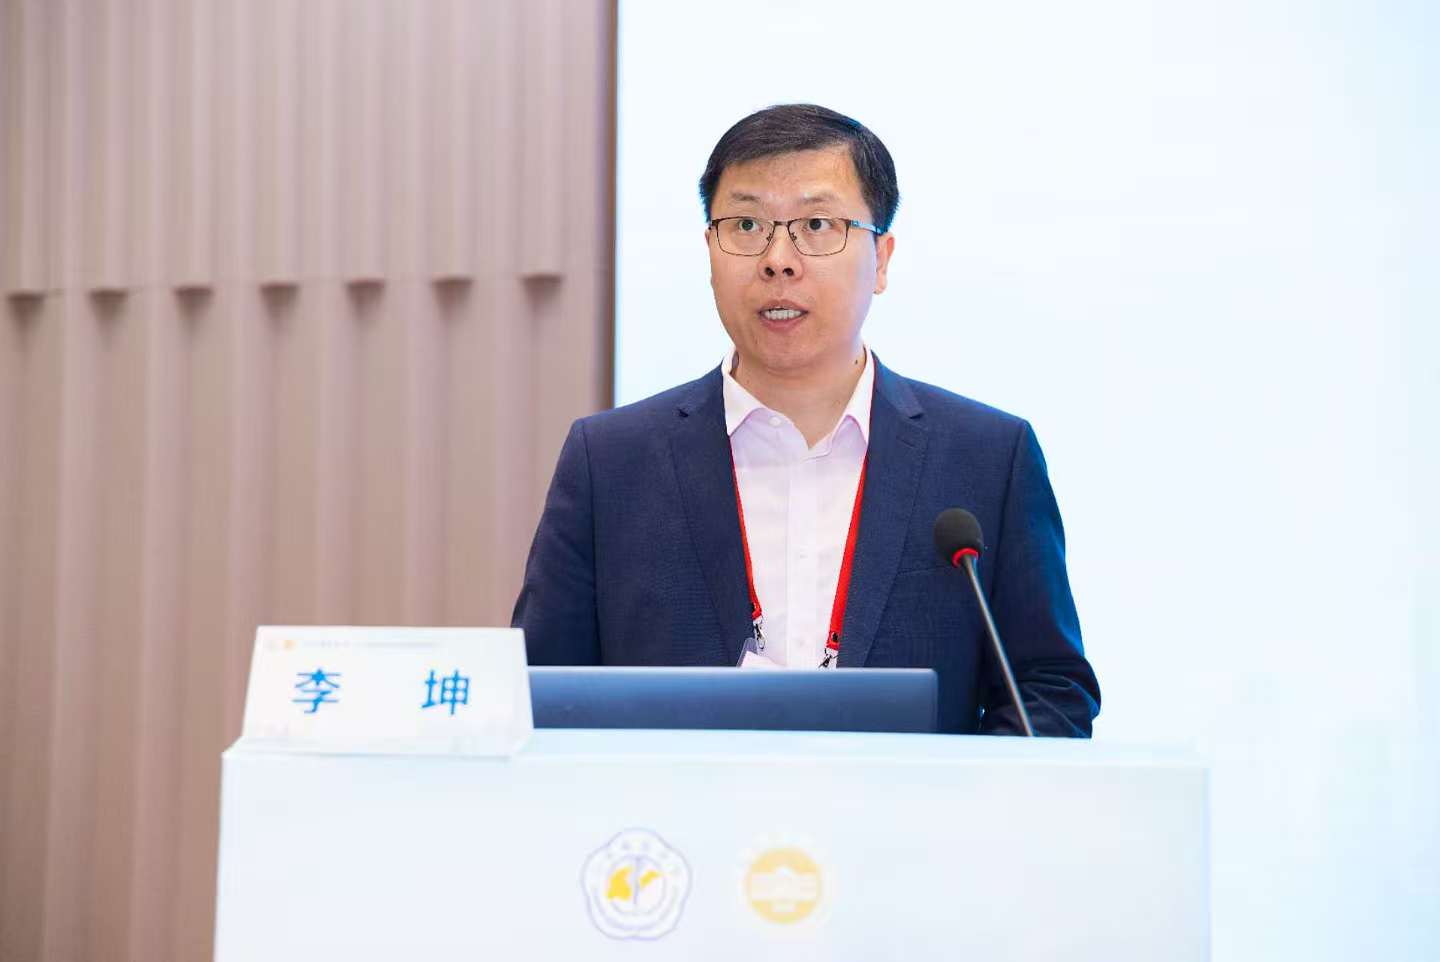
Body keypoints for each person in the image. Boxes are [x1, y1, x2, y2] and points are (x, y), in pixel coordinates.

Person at [513, 104, 1100, 735]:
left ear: (882, 259)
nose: (778, 260)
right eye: (746, 224)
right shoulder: (611, 461)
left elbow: (1048, 692)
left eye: (817, 225)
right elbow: (538, 695)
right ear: (710, 252)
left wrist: (949, 794)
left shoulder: (987, 457)